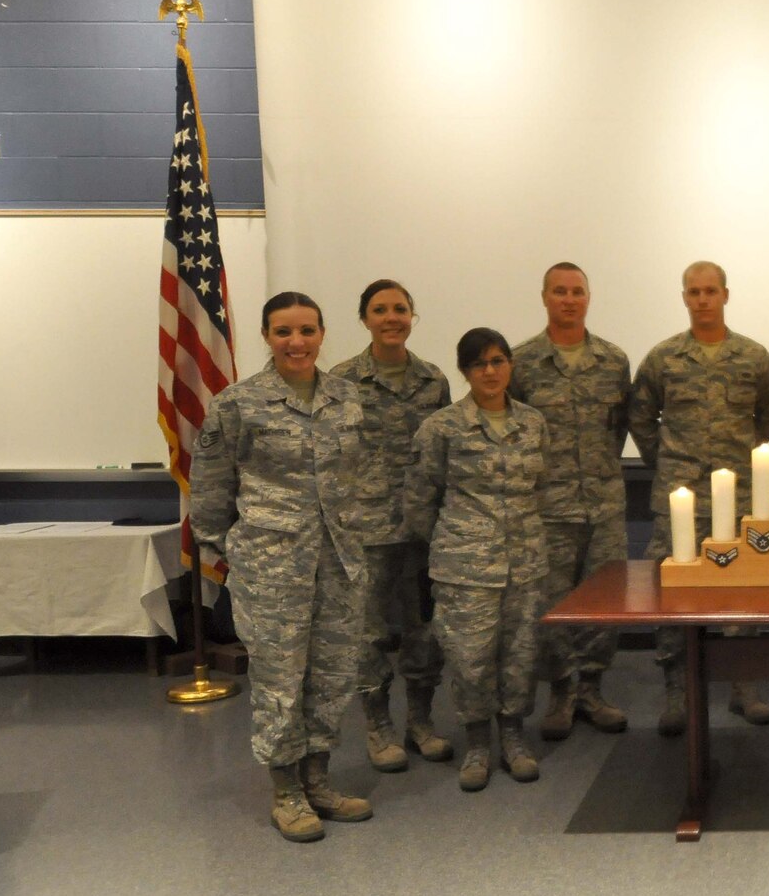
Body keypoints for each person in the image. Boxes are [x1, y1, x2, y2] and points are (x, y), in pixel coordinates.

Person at [190, 291, 373, 843]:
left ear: (322, 334)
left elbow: (359, 474)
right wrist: (230, 551)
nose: (297, 342)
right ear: (267, 336)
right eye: (284, 331)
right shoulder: (238, 404)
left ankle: (318, 780)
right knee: (280, 682)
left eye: (307, 330)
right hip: (272, 568)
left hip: (338, 563)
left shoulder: (348, 398)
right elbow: (211, 488)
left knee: (332, 676)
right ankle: (286, 791)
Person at [629, 261, 769, 732]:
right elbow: (641, 418)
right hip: (679, 497)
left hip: (739, 497)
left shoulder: (753, 357)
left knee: (743, 589)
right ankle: (678, 689)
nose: (702, 299)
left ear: (725, 295)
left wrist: (739, 461)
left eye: (710, 291)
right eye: (694, 292)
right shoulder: (664, 358)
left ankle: (743, 685)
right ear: (684, 298)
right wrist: (669, 462)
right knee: (673, 590)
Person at [408, 329, 548, 792]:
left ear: (511, 365)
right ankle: (477, 743)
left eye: (498, 361)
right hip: (465, 568)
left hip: (525, 563)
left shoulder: (533, 423)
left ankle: (514, 737)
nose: (490, 371)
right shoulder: (442, 428)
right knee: (470, 659)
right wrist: (458, 542)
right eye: (478, 364)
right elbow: (421, 498)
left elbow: (540, 487)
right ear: (465, 371)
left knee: (520, 655)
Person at [329, 279, 452, 773]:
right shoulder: (342, 381)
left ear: (412, 316)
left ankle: (420, 722)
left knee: (425, 631)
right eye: (380, 310)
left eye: (400, 308)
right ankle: (378, 726)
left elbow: (444, 451)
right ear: (364, 319)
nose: (391, 317)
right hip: (368, 533)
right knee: (370, 634)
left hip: (422, 531)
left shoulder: (433, 380)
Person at [510, 262, 632, 741]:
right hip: (548, 506)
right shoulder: (522, 362)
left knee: (606, 599)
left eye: (577, 291)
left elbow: (620, 428)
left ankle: (592, 689)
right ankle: (562, 690)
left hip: (604, 503)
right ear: (545, 297)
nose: (568, 299)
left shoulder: (613, 360)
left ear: (588, 297)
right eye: (559, 291)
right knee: (551, 602)